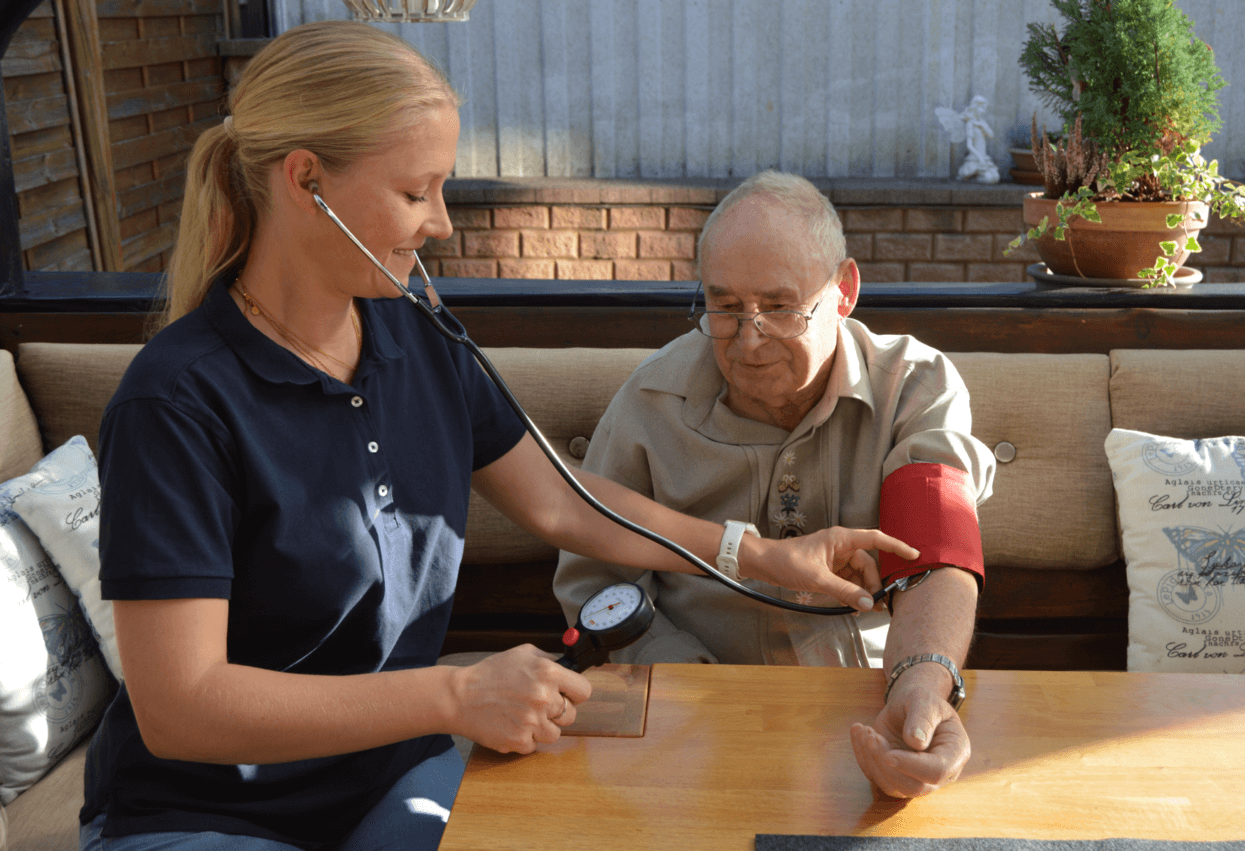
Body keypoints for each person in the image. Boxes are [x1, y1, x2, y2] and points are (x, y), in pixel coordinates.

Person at [77, 23, 921, 851]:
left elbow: (562, 503)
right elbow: (180, 707)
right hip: (204, 816)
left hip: (382, 779)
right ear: (305, 182)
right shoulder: (176, 401)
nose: (441, 222)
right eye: (416, 192)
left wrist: (765, 556)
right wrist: (452, 695)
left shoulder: (421, 341)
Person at [554, 170, 996, 799]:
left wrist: (923, 683)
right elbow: (593, 580)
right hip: (688, 723)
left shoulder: (914, 386)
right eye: (725, 307)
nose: (747, 339)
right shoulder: (649, 402)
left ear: (843, 291)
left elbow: (936, 547)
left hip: (867, 701)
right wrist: (694, 688)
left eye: (780, 307)